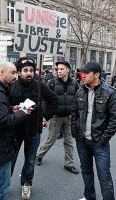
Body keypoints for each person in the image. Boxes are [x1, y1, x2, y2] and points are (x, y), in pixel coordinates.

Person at [9, 57, 58, 200]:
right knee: (10, 160)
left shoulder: (39, 86)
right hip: (15, 132)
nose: (29, 73)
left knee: (30, 161)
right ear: (19, 72)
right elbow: (3, 106)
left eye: (31, 70)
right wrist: (11, 109)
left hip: (34, 132)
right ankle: (4, 185)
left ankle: (26, 184)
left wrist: (45, 117)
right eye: (25, 70)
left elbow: (54, 100)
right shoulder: (12, 86)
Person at [0, 62, 32, 200]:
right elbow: (1, 121)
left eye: (16, 72)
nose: (15, 76)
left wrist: (11, 109)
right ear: (2, 72)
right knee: (2, 186)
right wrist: (22, 113)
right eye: (13, 72)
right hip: (0, 145)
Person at [71, 62, 116, 200]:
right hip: (82, 141)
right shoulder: (80, 90)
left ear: (96, 75)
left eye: (86, 73)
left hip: (99, 143)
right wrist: (76, 133)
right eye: (81, 73)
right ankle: (89, 197)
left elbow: (114, 120)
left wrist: (103, 139)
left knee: (104, 176)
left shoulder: (109, 92)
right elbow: (75, 114)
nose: (82, 75)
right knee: (86, 172)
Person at [36, 60, 79, 174]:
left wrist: (76, 114)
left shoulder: (74, 83)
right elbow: (46, 101)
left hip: (69, 117)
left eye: (61, 69)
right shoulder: (51, 82)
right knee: (51, 139)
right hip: (56, 116)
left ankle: (69, 164)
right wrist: (45, 117)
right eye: (58, 69)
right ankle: (39, 155)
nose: (59, 71)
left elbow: (78, 99)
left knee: (69, 141)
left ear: (68, 70)